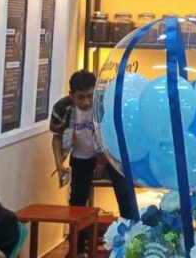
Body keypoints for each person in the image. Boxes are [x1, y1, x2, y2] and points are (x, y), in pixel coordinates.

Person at [50, 70, 136, 249]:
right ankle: (77, 247)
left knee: (125, 196)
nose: (86, 102)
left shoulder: (105, 102)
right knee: (78, 202)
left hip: (111, 154)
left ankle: (131, 243)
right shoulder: (62, 108)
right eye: (80, 98)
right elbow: (57, 137)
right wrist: (59, 164)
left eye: (90, 96)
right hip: (81, 156)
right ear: (71, 95)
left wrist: (103, 161)